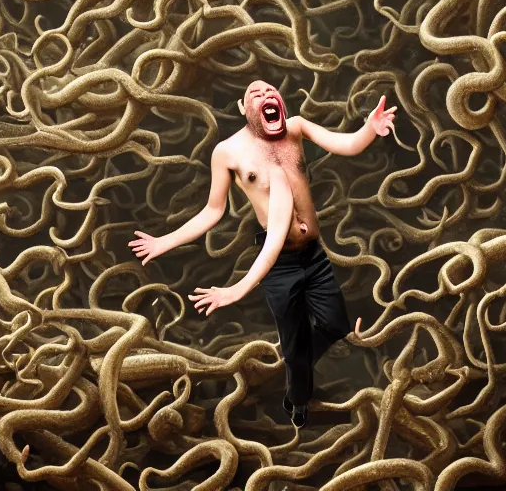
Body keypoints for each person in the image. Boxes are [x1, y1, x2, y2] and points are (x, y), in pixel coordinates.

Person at [128, 80, 397, 428]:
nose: (266, 96)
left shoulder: (296, 128)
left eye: (271, 92)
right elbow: (214, 211)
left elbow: (345, 144)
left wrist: (369, 129)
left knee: (334, 325)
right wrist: (165, 242)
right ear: (243, 108)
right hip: (279, 265)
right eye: (256, 94)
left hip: (313, 256)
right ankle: (298, 403)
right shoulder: (228, 152)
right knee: (294, 341)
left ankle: (296, 363)